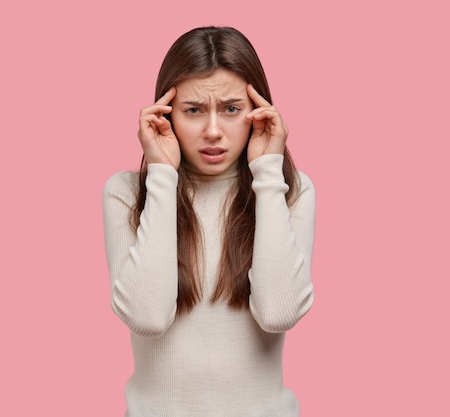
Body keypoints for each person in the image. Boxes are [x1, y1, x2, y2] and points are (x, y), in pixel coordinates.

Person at [103, 25, 316, 417]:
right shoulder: (127, 193)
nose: (213, 131)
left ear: (258, 112)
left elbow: (278, 313)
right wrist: (162, 175)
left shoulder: (289, 190)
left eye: (232, 109)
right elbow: (146, 317)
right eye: (194, 110)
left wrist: (268, 172)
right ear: (164, 113)